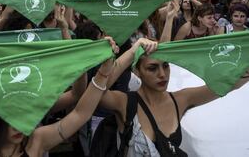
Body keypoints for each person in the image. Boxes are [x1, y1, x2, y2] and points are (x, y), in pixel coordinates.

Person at [99, 44, 249, 157]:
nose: (162, 74)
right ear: (137, 72)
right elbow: (96, 91)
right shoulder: (124, 102)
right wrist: (132, 53)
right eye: (152, 68)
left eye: (166, 66)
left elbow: (226, 86)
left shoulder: (181, 99)